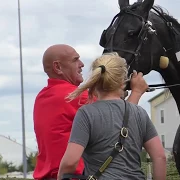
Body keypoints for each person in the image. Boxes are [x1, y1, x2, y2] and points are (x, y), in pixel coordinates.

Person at [33, 44, 149, 180]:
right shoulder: (74, 96)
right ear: (58, 67)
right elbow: (121, 116)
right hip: (71, 176)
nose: (82, 64)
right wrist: (137, 92)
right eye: (75, 60)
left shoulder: (42, 97)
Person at [57, 52, 167, 180]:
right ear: (123, 82)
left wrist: (61, 176)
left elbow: (71, 162)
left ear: (95, 80)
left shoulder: (86, 114)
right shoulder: (139, 112)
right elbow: (160, 157)